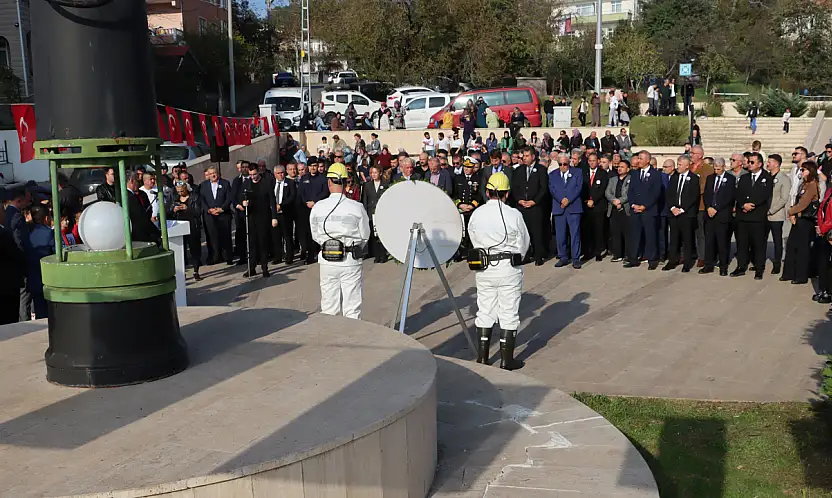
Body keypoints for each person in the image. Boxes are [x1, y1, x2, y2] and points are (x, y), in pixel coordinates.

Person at [468, 172, 530, 370]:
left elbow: (472, 237)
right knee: (509, 312)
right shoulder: (514, 214)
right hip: (508, 268)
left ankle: (483, 358)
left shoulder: (477, 214)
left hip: (484, 268)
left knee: (485, 310)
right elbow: (524, 243)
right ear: (507, 193)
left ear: (487, 192)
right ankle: (506, 361)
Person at [310, 163, 371, 319]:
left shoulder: (318, 207)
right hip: (350, 261)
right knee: (352, 308)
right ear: (345, 182)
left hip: (327, 260)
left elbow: (315, 235)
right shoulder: (356, 207)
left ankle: (329, 340)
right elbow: (365, 235)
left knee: (329, 307)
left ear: (329, 182)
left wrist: (328, 244)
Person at [731, 153, 773, 279]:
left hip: (757, 216)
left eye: (752, 162)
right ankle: (741, 266)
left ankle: (759, 268)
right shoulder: (744, 177)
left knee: (758, 244)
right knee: (742, 243)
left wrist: (752, 204)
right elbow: (738, 193)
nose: (749, 164)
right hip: (743, 216)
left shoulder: (767, 178)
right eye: (748, 162)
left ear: (760, 164)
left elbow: (764, 195)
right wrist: (744, 204)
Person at [781, 162, 820, 285]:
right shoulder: (804, 184)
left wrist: (790, 211)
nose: (802, 172)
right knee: (792, 245)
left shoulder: (813, 185)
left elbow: (804, 203)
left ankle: (801, 275)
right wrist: (793, 213)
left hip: (805, 220)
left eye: (804, 170)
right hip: (798, 218)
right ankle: (789, 272)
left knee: (802, 248)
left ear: (810, 171)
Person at [238, 162, 277, 278]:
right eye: (250, 175)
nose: (253, 177)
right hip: (251, 216)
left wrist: (274, 217)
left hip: (263, 216)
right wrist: (243, 203)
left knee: (263, 243)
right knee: (251, 243)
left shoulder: (266, 183)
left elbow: (272, 201)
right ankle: (252, 268)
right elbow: (241, 197)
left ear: (258, 172)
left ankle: (265, 267)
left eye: (254, 174)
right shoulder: (246, 184)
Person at [511, 147, 549, 266]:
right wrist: (519, 200)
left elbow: (543, 189)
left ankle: (538, 256)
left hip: (535, 206)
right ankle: (526, 255)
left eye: (527, 156)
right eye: (523, 156)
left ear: (533, 156)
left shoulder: (541, 170)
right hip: (522, 205)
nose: (524, 158)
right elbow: (514, 187)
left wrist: (534, 201)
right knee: (523, 232)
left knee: (536, 232)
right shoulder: (518, 170)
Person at [625, 151, 662, 269]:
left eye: (640, 159)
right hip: (635, 210)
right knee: (635, 235)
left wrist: (645, 206)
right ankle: (633, 258)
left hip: (649, 210)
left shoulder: (655, 174)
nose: (638, 161)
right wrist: (633, 205)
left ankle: (652, 259)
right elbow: (630, 191)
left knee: (650, 235)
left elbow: (656, 193)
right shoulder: (635, 174)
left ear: (647, 160)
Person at [663, 156, 700, 272]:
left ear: (687, 165)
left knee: (687, 239)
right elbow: (669, 193)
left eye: (680, 164)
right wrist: (673, 207)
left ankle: (687, 262)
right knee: (674, 238)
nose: (678, 166)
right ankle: (673, 260)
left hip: (686, 214)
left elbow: (693, 196)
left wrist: (683, 209)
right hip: (674, 213)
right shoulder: (674, 177)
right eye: (678, 164)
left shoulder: (693, 178)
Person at [701, 158, 735, 276]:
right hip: (710, 214)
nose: (716, 171)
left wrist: (717, 208)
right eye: (715, 168)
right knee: (709, 241)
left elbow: (729, 197)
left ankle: (723, 266)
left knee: (722, 242)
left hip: (722, 214)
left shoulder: (730, 179)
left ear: (724, 167)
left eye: (719, 169)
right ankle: (709, 264)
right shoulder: (710, 178)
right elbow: (706, 194)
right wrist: (709, 207)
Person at [549, 151, 583, 269]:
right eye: (560, 164)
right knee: (560, 235)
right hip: (559, 208)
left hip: (573, 207)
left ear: (569, 163)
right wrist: (561, 200)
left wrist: (568, 199)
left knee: (575, 235)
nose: (563, 167)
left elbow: (578, 188)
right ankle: (562, 256)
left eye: (565, 164)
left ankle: (575, 258)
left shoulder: (577, 172)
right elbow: (552, 189)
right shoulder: (553, 174)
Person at [169, 181, 203, 281]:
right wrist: (173, 209)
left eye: (182, 191)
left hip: (192, 225)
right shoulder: (175, 198)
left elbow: (198, 211)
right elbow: (168, 210)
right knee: (181, 250)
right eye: (178, 191)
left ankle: (196, 271)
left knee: (194, 249)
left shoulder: (194, 197)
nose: (180, 193)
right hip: (179, 226)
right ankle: (182, 272)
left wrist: (188, 208)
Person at [0, 194, 25, 325]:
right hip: (7, 287)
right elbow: (16, 254)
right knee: (9, 321)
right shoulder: (3, 235)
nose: (5, 214)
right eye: (3, 210)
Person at [453, 157, 483, 261]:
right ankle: (461, 253)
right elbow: (454, 193)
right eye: (465, 166)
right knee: (461, 232)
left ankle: (471, 253)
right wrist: (460, 204)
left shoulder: (477, 179)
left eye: (469, 167)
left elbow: (479, 194)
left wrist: (472, 205)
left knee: (471, 232)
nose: (466, 169)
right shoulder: (458, 178)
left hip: (472, 210)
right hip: (461, 210)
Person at [766, 154, 791, 275]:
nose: (767, 164)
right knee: (761, 239)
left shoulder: (784, 178)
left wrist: (771, 210)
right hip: (763, 215)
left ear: (776, 164)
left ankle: (777, 264)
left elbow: (783, 198)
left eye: (770, 162)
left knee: (777, 240)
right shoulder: (765, 177)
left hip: (776, 215)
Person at [581, 153, 608, 261]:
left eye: (594, 160)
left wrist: (594, 200)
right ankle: (587, 252)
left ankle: (598, 252)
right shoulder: (583, 173)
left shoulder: (603, 173)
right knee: (587, 230)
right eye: (590, 160)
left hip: (598, 206)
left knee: (598, 230)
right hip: (586, 205)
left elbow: (602, 189)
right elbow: (582, 188)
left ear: (598, 161)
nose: (592, 162)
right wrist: (587, 200)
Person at [606, 159, 631, 262]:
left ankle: (627, 254)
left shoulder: (631, 179)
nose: (619, 168)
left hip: (625, 209)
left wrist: (620, 201)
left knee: (627, 232)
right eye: (619, 167)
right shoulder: (612, 179)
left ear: (628, 169)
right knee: (615, 232)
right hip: (614, 209)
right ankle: (617, 254)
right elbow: (608, 192)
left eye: (622, 167)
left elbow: (629, 194)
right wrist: (614, 201)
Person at [362, 165, 388, 263]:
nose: (374, 175)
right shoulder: (367, 185)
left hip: (381, 213)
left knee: (381, 234)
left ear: (380, 173)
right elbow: (365, 199)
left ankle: (383, 255)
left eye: (375, 172)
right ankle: (376, 256)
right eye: (372, 173)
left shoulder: (385, 184)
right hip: (371, 213)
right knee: (373, 235)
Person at [272, 165, 296, 265]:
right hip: (274, 214)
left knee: (287, 236)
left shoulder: (290, 183)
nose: (280, 175)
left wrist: (281, 206)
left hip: (286, 213)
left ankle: (289, 257)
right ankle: (278, 256)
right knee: (276, 236)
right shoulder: (271, 183)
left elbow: (292, 196)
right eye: (278, 173)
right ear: (274, 174)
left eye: (282, 173)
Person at [815, 182, 832, 303]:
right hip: (825, 232)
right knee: (823, 262)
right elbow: (822, 209)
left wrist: (823, 228)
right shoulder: (829, 191)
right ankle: (823, 290)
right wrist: (820, 226)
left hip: (828, 231)